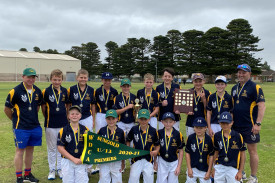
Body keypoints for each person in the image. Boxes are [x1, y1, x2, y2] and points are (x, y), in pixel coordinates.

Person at [4, 68, 42, 183]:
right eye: (28, 77)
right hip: (21, 128)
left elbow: (37, 107)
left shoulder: (37, 91)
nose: (31, 79)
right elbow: (6, 109)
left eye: (33, 77)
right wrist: (15, 120)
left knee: (30, 150)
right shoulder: (15, 91)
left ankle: (27, 174)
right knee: (20, 151)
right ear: (23, 77)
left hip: (34, 126)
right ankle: (19, 177)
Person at [231, 64, 265, 183]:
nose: (240, 74)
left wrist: (258, 124)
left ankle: (253, 176)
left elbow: (261, 106)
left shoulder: (255, 87)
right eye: (239, 72)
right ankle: (242, 172)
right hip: (236, 126)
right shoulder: (234, 88)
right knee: (238, 150)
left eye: (243, 72)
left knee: (252, 151)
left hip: (250, 126)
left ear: (249, 74)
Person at [42, 69, 69, 180]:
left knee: (61, 147)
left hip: (63, 123)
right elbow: (43, 108)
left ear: (62, 80)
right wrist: (48, 117)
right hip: (50, 124)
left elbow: (67, 105)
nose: (57, 82)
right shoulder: (46, 91)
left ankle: (60, 169)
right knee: (52, 148)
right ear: (51, 79)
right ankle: (52, 170)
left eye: (59, 80)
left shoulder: (65, 91)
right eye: (54, 79)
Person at [57, 105, 89, 183]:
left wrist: (83, 156)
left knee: (82, 181)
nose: (74, 115)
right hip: (67, 160)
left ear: (80, 116)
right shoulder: (63, 130)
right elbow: (60, 148)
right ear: (68, 116)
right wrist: (73, 159)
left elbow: (88, 145)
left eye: (77, 114)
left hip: (81, 160)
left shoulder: (85, 129)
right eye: (72, 114)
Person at [94, 72, 118, 174]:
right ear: (102, 80)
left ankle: (111, 160)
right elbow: (94, 104)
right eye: (105, 80)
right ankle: (99, 164)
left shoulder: (114, 91)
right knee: (100, 139)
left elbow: (116, 106)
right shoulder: (98, 91)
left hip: (111, 117)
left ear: (111, 80)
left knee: (110, 137)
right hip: (100, 115)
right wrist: (94, 117)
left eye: (109, 80)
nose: (107, 82)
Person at [126, 109, 160, 183]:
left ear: (149, 119)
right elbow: (128, 140)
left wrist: (156, 151)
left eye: (145, 119)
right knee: (133, 180)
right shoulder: (134, 129)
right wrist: (129, 149)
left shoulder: (153, 131)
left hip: (148, 160)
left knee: (149, 180)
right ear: (138, 119)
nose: (143, 121)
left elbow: (157, 145)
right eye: (141, 119)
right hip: (136, 159)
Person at [213, 112, 246, 183]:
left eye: (227, 123)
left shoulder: (238, 136)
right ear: (219, 123)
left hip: (233, 167)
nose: (225, 125)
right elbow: (216, 152)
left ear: (232, 123)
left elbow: (242, 154)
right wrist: (214, 167)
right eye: (222, 123)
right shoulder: (217, 136)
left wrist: (240, 171)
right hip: (220, 166)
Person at [97, 109, 125, 183]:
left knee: (117, 180)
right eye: (109, 119)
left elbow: (123, 149)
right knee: (103, 179)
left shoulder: (121, 132)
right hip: (104, 160)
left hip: (116, 160)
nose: (111, 121)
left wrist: (123, 162)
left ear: (117, 119)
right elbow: (97, 145)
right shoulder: (101, 131)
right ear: (106, 119)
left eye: (113, 118)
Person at [156, 112, 185, 183]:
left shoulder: (178, 134)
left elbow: (181, 151)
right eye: (166, 122)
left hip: (174, 162)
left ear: (174, 122)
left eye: (170, 122)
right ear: (162, 122)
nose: (168, 124)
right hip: (162, 161)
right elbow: (156, 148)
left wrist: (179, 166)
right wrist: (155, 162)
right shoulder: (158, 133)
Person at [185, 117, 214, 183]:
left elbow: (211, 156)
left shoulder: (209, 139)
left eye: (201, 128)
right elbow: (187, 153)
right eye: (197, 127)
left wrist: (209, 171)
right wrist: (189, 168)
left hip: (204, 169)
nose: (199, 130)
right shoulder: (190, 138)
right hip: (192, 168)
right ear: (194, 128)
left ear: (205, 128)